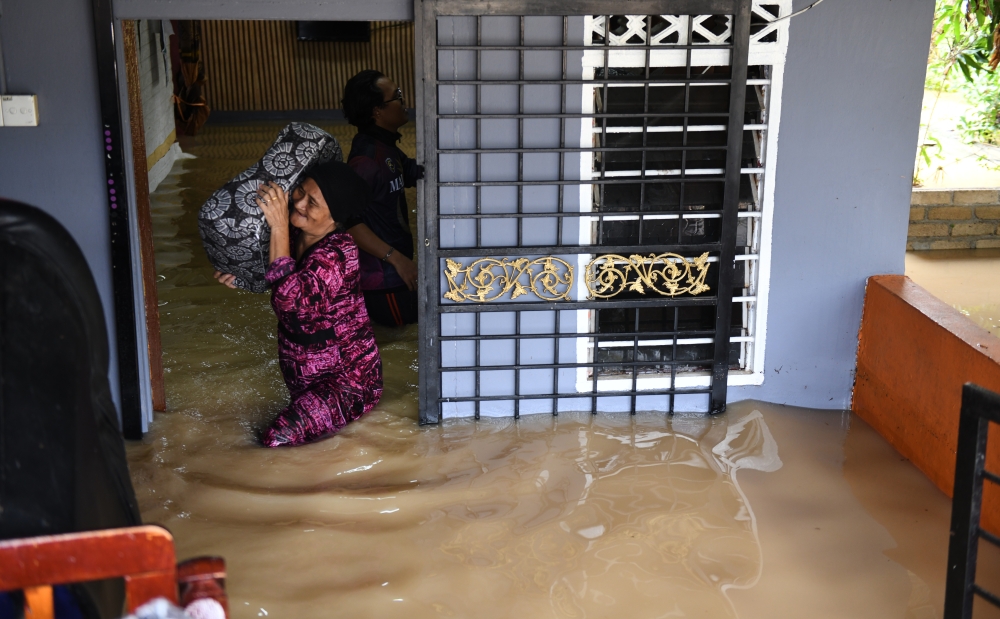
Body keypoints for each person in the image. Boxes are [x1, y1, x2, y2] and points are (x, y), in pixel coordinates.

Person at [216, 161, 383, 447]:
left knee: (276, 440)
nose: (299, 203)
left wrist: (278, 224)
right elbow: (276, 274)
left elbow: (292, 302)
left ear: (334, 218)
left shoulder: (338, 254)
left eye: (313, 202)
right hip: (305, 377)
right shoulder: (296, 237)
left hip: (348, 382)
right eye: (300, 192)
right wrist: (243, 277)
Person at [341, 70, 422, 327]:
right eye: (397, 96)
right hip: (385, 279)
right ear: (378, 111)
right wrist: (397, 260)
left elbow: (408, 171)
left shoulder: (384, 146)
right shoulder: (365, 160)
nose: (403, 100)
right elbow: (349, 222)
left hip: (398, 271)